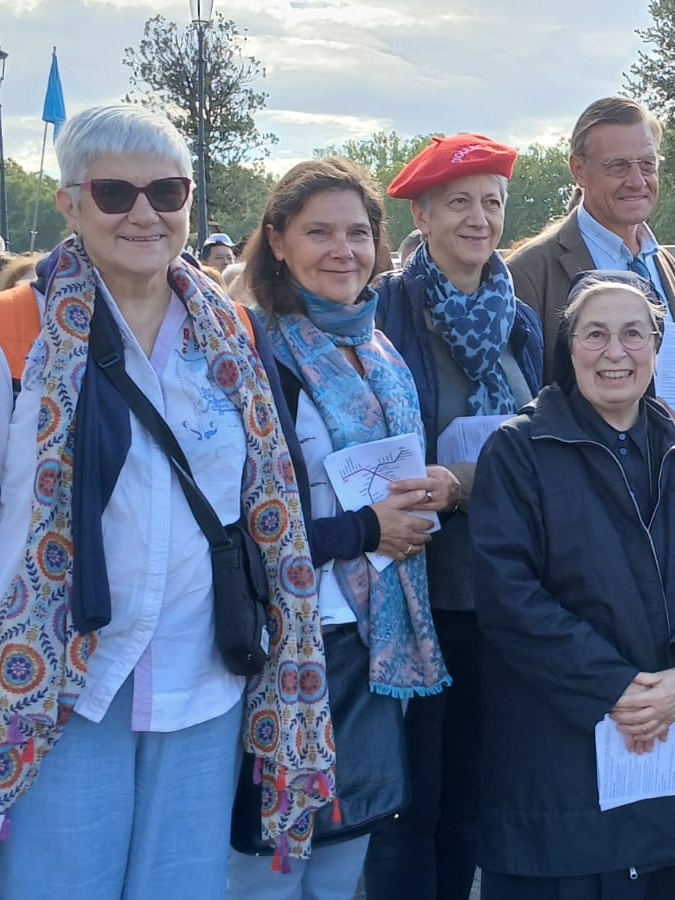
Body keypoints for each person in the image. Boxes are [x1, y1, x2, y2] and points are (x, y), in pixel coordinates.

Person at [0, 104, 337, 896]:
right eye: (114, 193)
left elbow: (260, 509)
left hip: (204, 679)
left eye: (166, 192)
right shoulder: (8, 329)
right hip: (58, 691)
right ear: (71, 205)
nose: (144, 214)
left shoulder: (231, 333)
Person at [471, 274, 675, 898]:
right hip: (563, 757)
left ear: (656, 346)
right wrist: (617, 686)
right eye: (595, 334)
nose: (615, 352)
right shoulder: (518, 451)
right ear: (569, 346)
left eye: (633, 333)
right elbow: (508, 595)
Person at [225, 155, 451, 898]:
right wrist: (363, 531)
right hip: (290, 644)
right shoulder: (252, 351)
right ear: (277, 240)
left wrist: (423, 498)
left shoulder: (380, 349)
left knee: (342, 859)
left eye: (357, 233)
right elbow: (237, 529)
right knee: (269, 867)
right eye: (318, 232)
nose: (342, 251)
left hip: (371, 635)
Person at [364, 133, 545, 900]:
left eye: (492, 203)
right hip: (414, 588)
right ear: (424, 216)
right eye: (460, 203)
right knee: (410, 802)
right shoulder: (384, 310)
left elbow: (539, 446)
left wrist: (467, 482)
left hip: (497, 590)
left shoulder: (521, 322)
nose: (479, 218)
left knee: (473, 788)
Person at [507, 96, 675, 419]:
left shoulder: (670, 269)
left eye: (647, 164)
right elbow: (521, 403)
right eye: (618, 166)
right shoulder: (527, 274)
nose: (637, 180)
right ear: (579, 171)